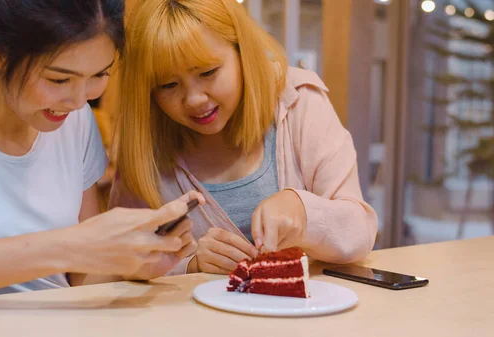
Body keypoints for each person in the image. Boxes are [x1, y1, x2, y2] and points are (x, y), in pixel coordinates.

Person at [0, 0, 203, 307]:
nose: (79, 100)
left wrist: (132, 264)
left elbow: (79, 276)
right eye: (59, 79)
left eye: (99, 75)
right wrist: (70, 247)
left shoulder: (75, 121)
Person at [110, 0, 378, 275]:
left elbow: (360, 234)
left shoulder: (298, 103)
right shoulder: (144, 146)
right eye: (167, 85)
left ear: (242, 53)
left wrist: (304, 212)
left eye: (208, 72)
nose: (194, 99)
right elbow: (120, 262)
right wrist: (189, 265)